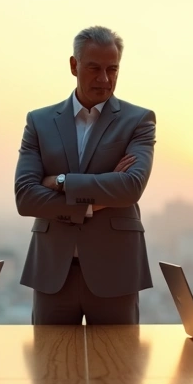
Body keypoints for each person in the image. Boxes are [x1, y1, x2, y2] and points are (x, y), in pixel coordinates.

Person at [14, 25, 156, 324]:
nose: (104, 79)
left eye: (112, 69)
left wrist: (60, 181)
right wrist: (94, 202)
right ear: (74, 65)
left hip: (116, 270)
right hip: (53, 271)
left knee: (118, 366)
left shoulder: (139, 120)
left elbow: (130, 187)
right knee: (51, 366)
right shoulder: (39, 121)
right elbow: (26, 197)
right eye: (94, 68)